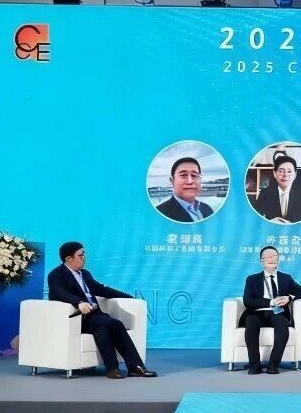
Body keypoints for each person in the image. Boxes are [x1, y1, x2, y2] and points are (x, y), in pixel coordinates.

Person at [47, 242, 156, 379]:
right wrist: (79, 303)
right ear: (68, 258)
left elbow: (102, 289)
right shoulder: (56, 275)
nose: (84, 257)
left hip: (94, 316)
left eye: (84, 254)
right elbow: (62, 293)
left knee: (109, 324)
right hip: (76, 317)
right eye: (80, 255)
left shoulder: (85, 274)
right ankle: (119, 368)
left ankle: (129, 368)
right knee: (108, 323)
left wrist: (130, 298)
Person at [240, 245, 301, 374]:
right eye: (269, 256)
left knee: (282, 324)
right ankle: (254, 364)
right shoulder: (252, 279)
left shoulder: (286, 278)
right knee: (251, 321)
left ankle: (274, 364)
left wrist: (289, 298)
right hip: (257, 312)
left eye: (276, 257)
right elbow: (248, 301)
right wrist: (271, 301)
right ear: (262, 261)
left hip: (277, 312)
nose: (273, 259)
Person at [253, 153, 301, 224]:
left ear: (295, 174)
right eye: (281, 171)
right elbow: (254, 219)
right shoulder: (265, 193)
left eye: (289, 171)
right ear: (274, 173)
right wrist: (270, 222)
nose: (286, 175)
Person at [155, 156, 215, 222]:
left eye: (194, 175)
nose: (190, 181)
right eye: (183, 175)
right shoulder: (159, 214)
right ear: (172, 181)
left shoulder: (207, 209)